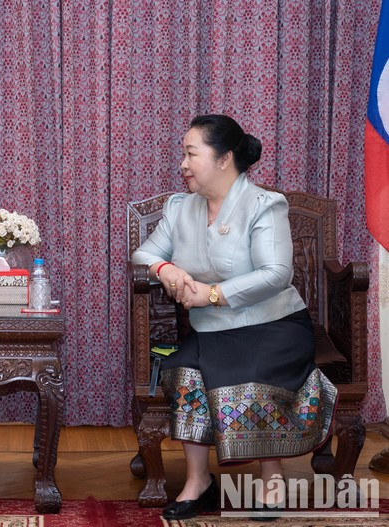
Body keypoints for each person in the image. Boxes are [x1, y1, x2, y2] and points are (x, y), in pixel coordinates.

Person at [132, 114, 336, 521]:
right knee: (185, 371)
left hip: (274, 326)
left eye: (192, 154)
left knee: (253, 371)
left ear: (224, 158)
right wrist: (166, 270)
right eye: (184, 154)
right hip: (214, 331)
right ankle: (198, 481)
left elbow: (277, 274)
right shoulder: (180, 207)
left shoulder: (263, 204)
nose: (183, 164)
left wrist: (212, 293)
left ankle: (271, 480)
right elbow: (144, 253)